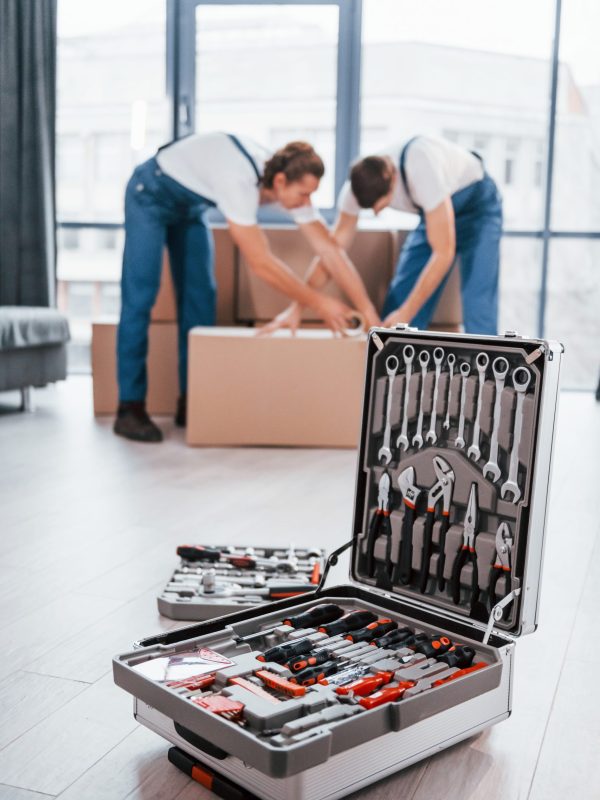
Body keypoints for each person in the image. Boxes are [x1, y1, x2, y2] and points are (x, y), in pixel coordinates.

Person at [115, 132, 380, 443]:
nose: (307, 203)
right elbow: (261, 262)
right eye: (304, 194)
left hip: (189, 207)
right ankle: (129, 408)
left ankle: (193, 400)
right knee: (141, 295)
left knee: (201, 298)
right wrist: (320, 303)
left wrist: (368, 312)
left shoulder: (284, 179)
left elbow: (331, 251)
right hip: (151, 191)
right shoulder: (239, 181)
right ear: (280, 182)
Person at [264, 135, 502, 337]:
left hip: (477, 205)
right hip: (433, 214)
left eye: (382, 206)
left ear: (393, 180)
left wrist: (408, 313)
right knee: (397, 310)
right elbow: (332, 254)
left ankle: (488, 383)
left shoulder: (421, 168)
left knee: (477, 302)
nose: (378, 212)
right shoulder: (353, 190)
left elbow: (444, 253)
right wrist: (298, 306)